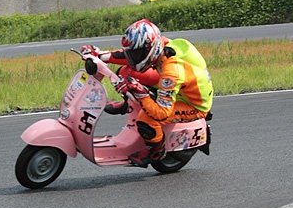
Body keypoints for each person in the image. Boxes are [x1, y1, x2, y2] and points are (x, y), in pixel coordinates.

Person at [82, 19, 213, 167]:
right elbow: (127, 56)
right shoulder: (162, 46)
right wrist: (100, 55)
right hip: (181, 87)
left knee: (146, 119)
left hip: (192, 104)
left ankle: (155, 151)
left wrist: (140, 93)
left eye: (138, 54)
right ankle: (129, 104)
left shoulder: (171, 73)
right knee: (126, 72)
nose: (133, 58)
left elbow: (161, 113)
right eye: (133, 53)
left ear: (151, 48)